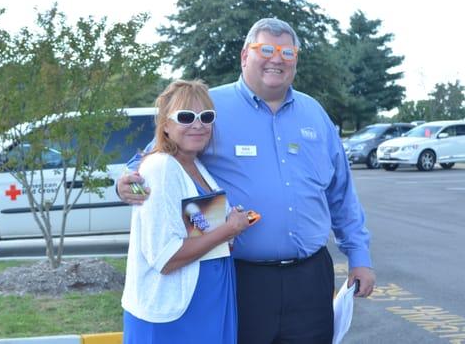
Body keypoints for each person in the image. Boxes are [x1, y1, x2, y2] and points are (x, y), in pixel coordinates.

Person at [118, 18, 376, 344]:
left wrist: (359, 258)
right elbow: (154, 156)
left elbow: (341, 194)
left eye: (287, 51)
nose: (276, 58)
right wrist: (124, 182)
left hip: (309, 279)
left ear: (296, 58)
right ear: (244, 56)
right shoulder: (209, 109)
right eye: (265, 49)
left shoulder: (315, 114)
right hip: (243, 280)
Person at [121, 79, 251, 344]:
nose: (198, 124)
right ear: (166, 126)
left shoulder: (196, 166)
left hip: (208, 301)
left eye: (206, 117)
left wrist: (228, 226)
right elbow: (166, 258)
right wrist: (229, 229)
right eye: (186, 117)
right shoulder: (160, 168)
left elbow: (198, 228)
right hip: (173, 314)